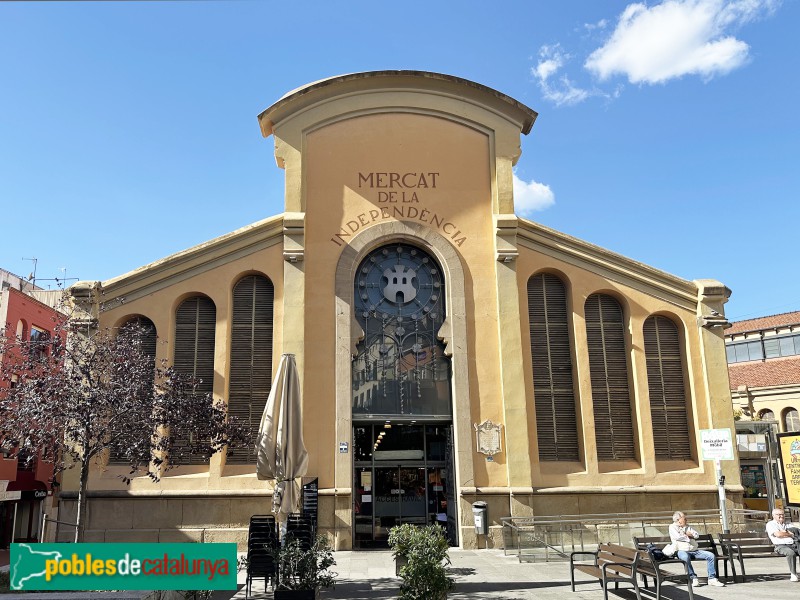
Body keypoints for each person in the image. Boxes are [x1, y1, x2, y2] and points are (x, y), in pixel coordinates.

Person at [669, 511, 725, 587]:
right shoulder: (672, 527)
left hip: (694, 550)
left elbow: (696, 535)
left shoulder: (688, 526)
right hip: (681, 550)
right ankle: (693, 578)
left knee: (711, 555)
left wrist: (689, 535)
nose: (686, 520)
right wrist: (687, 536)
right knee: (685, 557)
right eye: (684, 518)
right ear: (678, 519)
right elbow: (678, 537)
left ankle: (712, 579)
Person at [766, 508, 800, 582]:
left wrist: (787, 533)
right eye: (778, 514)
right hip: (780, 546)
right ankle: (793, 574)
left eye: (782, 514)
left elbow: (796, 533)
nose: (781, 516)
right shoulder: (771, 524)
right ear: (773, 516)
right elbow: (778, 534)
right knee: (791, 553)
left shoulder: (788, 524)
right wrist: (789, 534)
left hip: (793, 544)